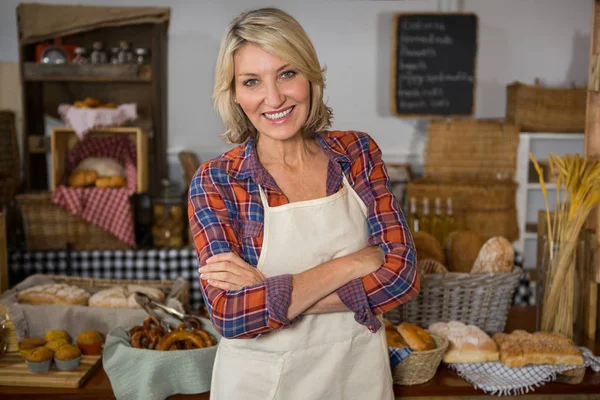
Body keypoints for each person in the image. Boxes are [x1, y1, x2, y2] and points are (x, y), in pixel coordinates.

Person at [188, 7, 419, 400]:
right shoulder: (218, 180)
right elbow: (230, 313)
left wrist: (270, 294)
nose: (273, 97)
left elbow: (403, 277)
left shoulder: (356, 153)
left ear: (311, 76)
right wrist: (353, 263)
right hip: (261, 387)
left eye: (287, 73)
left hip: (358, 378)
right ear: (235, 94)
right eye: (251, 81)